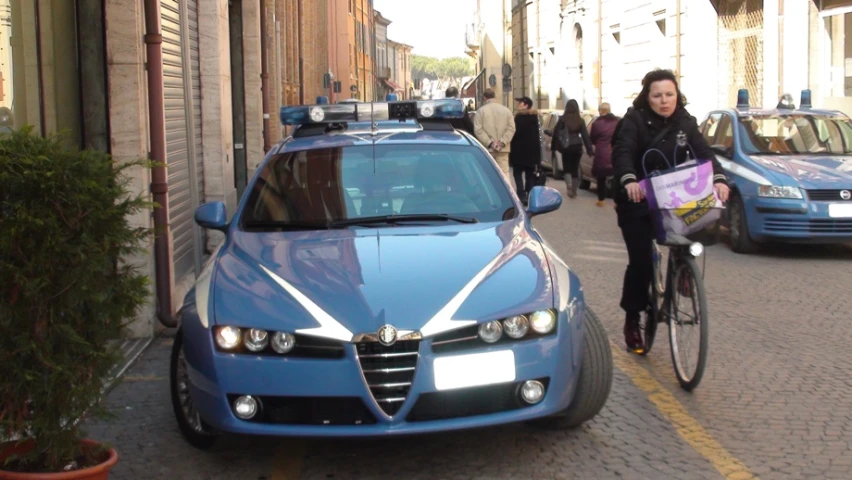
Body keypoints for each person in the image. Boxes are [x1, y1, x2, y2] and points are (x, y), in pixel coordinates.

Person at [612, 68, 730, 354]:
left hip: (672, 196)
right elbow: (623, 152)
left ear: (677, 95)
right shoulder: (634, 121)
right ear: (647, 97)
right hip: (638, 199)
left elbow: (704, 154)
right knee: (640, 262)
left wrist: (718, 178)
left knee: (693, 232)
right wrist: (629, 179)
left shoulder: (685, 122)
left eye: (669, 94)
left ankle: (683, 272)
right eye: (657, 95)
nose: (664, 101)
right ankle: (633, 318)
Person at [552, 99, 593, 198]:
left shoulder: (562, 120)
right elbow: (585, 136)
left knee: (566, 168)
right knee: (575, 169)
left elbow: (556, 134)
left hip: (566, 147)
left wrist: (554, 146)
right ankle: (574, 190)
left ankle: (569, 184)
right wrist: (589, 149)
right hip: (577, 147)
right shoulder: (580, 120)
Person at [474, 88, 516, 177]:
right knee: (504, 175)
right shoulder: (507, 111)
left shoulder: (481, 111)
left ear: (484, 98)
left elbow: (478, 130)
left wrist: (490, 143)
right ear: (494, 97)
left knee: (488, 176)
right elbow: (511, 128)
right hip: (503, 150)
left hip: (487, 149)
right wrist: (502, 142)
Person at [508, 96, 542, 205]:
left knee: (517, 174)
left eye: (520, 103)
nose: (518, 104)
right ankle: (530, 195)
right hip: (531, 153)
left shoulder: (518, 118)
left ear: (526, 105)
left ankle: (521, 195)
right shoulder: (535, 118)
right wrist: (538, 156)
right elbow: (538, 137)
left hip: (518, 152)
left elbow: (514, 134)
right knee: (530, 174)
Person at [589, 102, 619, 207]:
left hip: (601, 152)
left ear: (601, 111)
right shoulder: (617, 121)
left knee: (601, 178)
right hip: (614, 151)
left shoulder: (597, 124)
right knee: (616, 177)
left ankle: (601, 200)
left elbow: (592, 138)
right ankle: (617, 201)